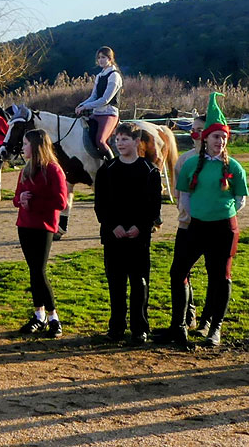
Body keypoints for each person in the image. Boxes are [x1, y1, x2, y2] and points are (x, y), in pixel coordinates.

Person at [167, 92, 248, 349]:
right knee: (178, 271)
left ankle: (215, 327)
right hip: (196, 227)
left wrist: (221, 213)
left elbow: (240, 198)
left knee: (220, 277)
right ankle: (180, 324)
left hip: (223, 228)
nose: (220, 141)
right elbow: (185, 195)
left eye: (224, 137)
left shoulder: (234, 166)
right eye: (215, 136)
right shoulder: (191, 164)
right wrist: (195, 217)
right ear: (205, 138)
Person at [94, 123, 162, 346]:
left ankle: (140, 328)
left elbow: (154, 206)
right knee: (116, 283)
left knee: (139, 284)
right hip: (113, 236)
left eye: (124, 139)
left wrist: (141, 227)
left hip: (138, 238)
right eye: (117, 139)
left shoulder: (150, 171)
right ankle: (116, 328)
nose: (120, 143)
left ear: (136, 142)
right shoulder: (107, 170)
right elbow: (100, 204)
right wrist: (113, 225)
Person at [12, 128, 69, 338]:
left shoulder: (53, 170)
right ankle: (39, 315)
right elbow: (16, 198)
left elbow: (61, 202)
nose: (23, 147)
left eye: (26, 143)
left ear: (36, 146)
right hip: (24, 225)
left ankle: (53, 317)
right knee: (33, 271)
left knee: (39, 271)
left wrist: (34, 201)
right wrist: (22, 199)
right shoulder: (25, 169)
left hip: (43, 226)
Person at [75, 46, 124, 162]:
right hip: (97, 113)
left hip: (109, 114)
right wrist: (81, 105)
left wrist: (85, 107)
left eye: (103, 57)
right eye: (99, 58)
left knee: (100, 140)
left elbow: (105, 100)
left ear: (110, 59)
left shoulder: (114, 76)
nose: (100, 60)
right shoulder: (99, 76)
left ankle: (112, 165)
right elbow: (94, 96)